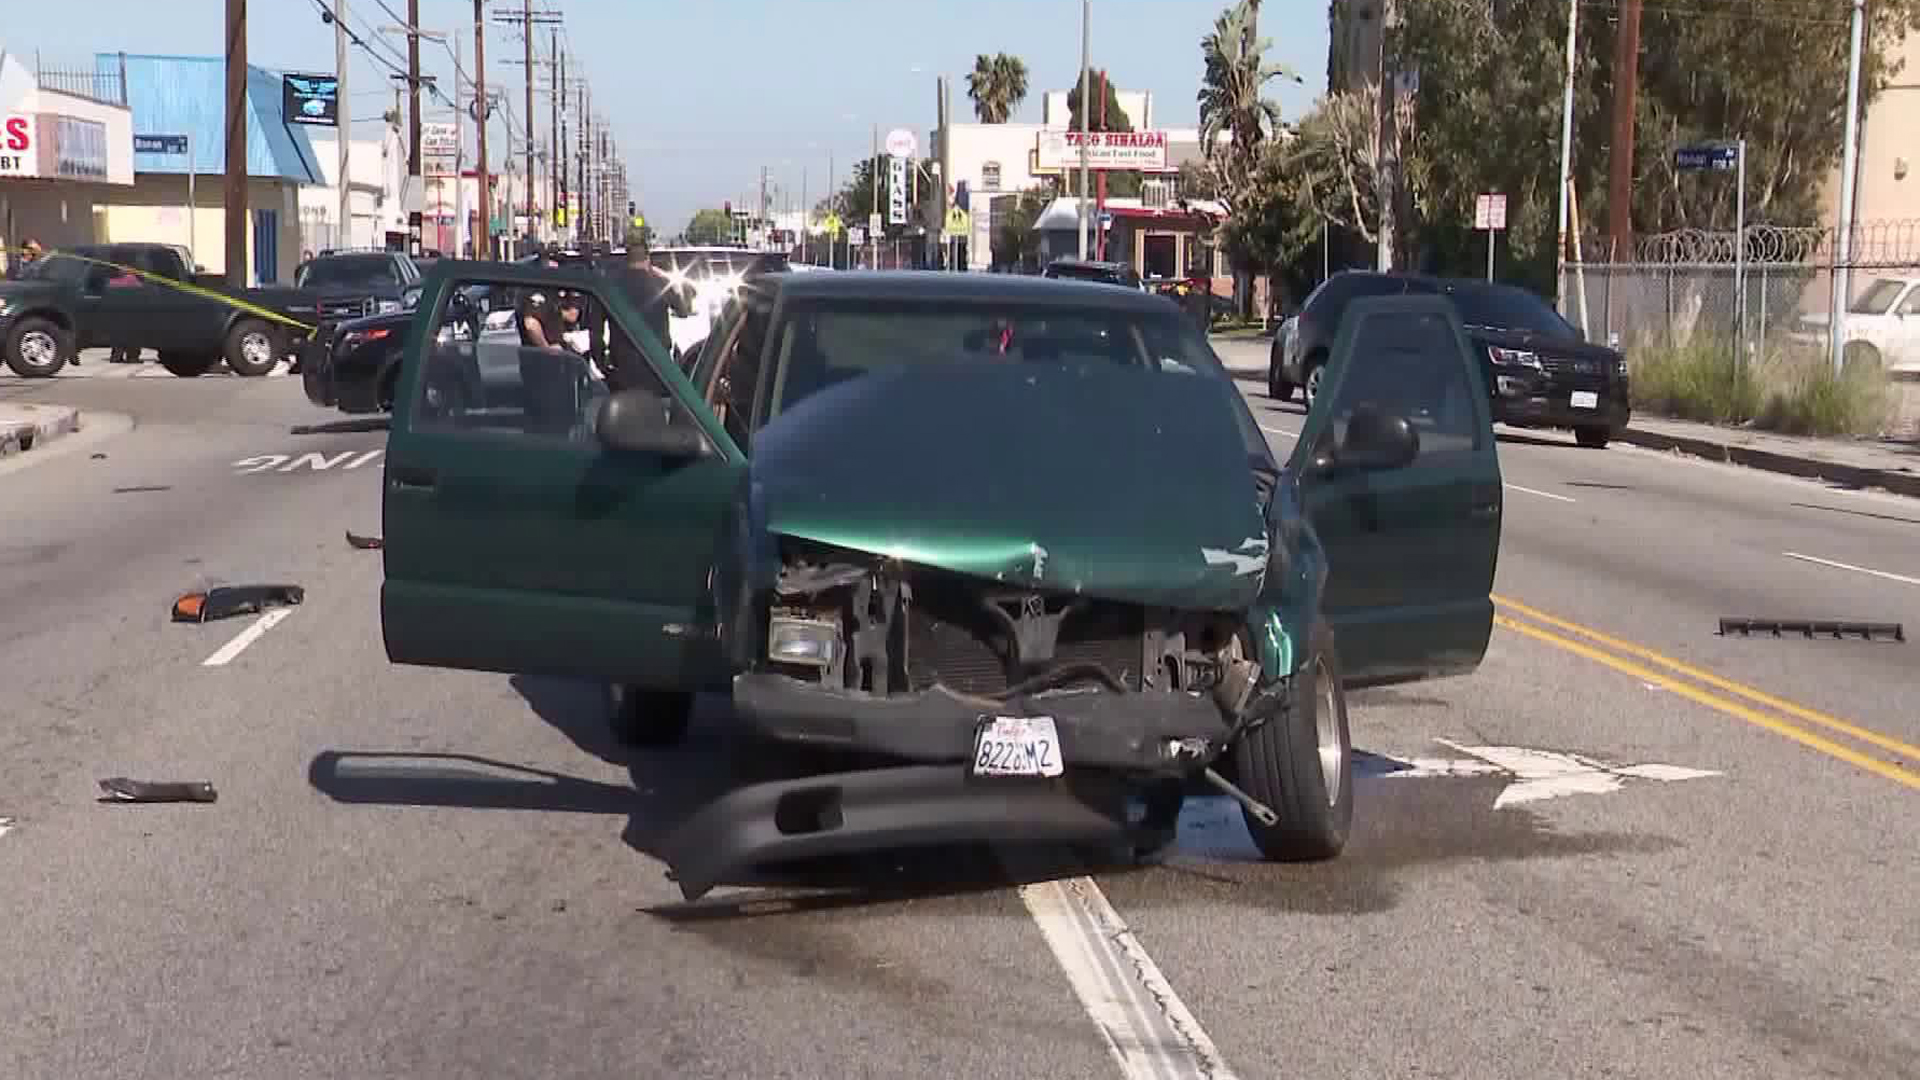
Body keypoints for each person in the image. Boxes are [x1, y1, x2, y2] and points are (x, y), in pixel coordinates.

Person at [603, 243, 691, 391]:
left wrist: (603, 366)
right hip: (656, 361)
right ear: (647, 259)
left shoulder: (612, 285)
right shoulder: (660, 283)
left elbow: (596, 329)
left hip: (623, 363)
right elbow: (683, 310)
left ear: (627, 260)